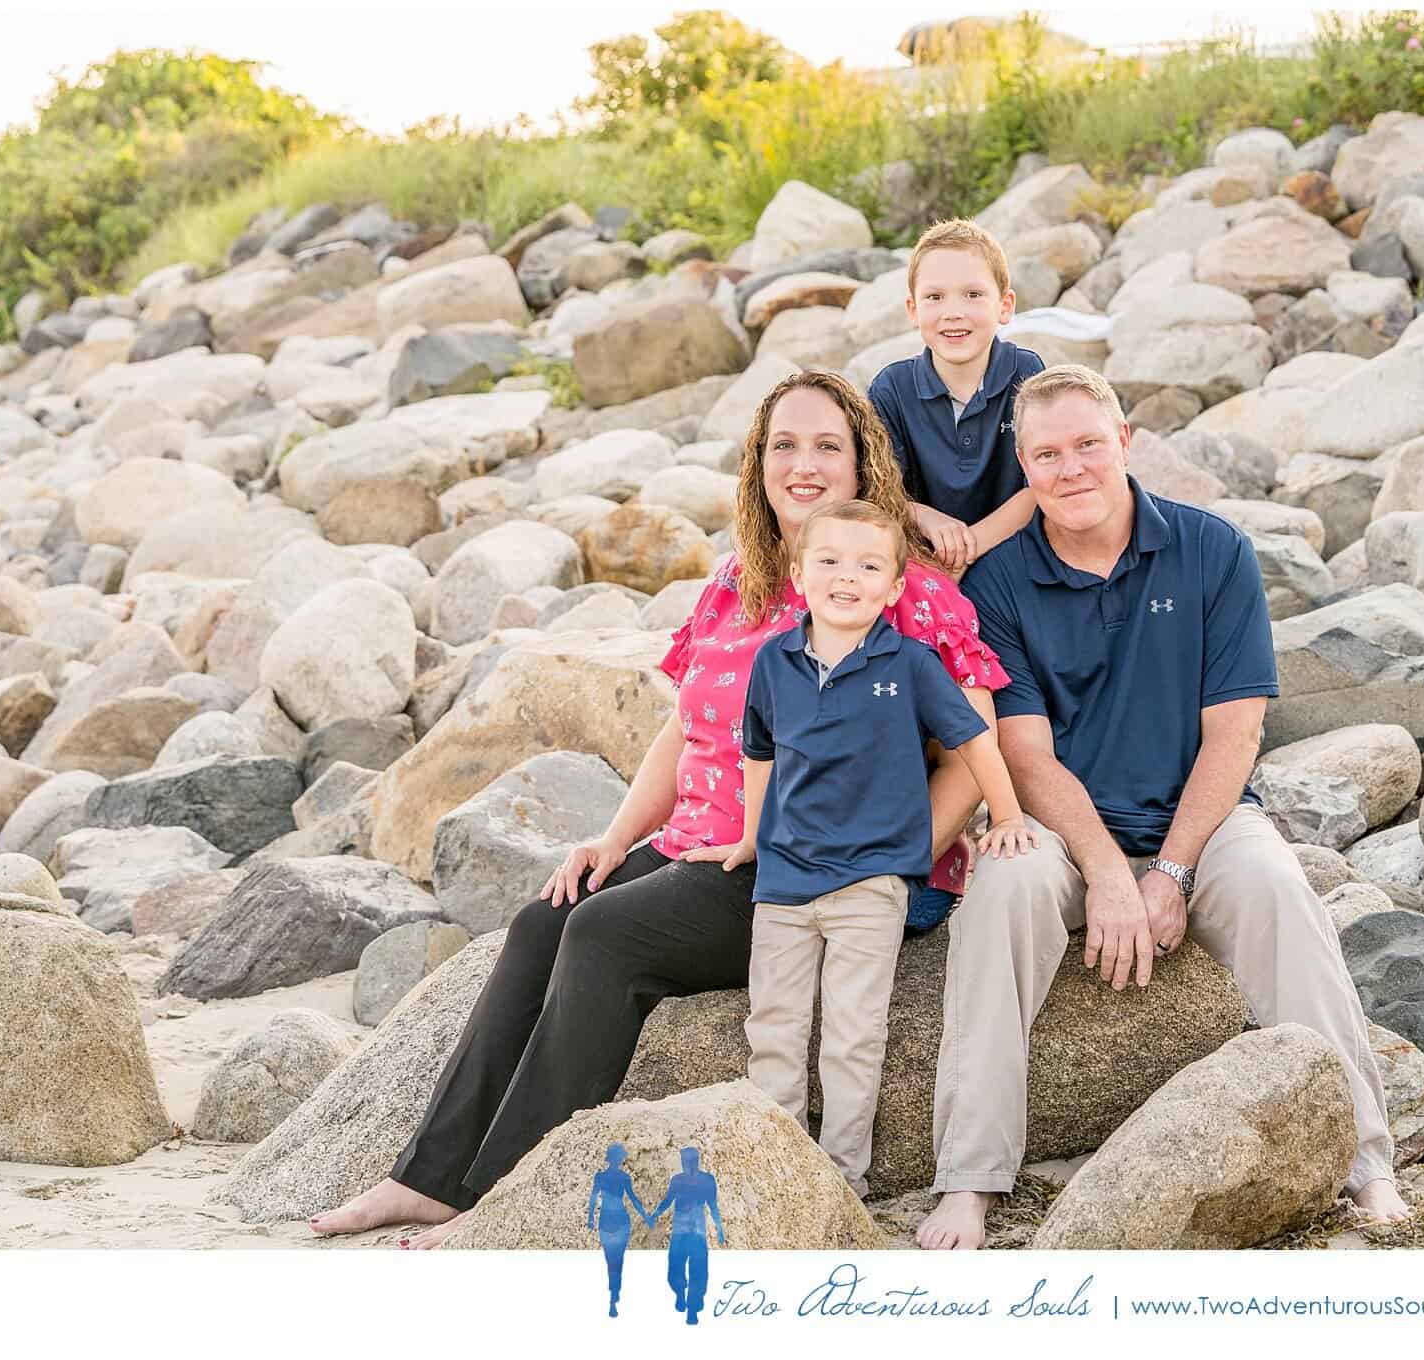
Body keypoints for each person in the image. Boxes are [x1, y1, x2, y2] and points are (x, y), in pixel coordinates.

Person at [306, 369, 1009, 1248]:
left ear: (865, 465)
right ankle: (429, 1180)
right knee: (545, 919)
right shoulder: (733, 583)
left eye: (828, 446)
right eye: (784, 446)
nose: (804, 465)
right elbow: (687, 731)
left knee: (607, 939)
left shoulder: (900, 590)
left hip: (811, 866)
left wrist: (895, 857)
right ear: (757, 465)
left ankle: (507, 1193)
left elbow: (972, 756)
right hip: (704, 842)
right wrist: (613, 838)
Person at [915, 364, 1412, 1251]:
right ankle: (970, 1179)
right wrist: (1110, 875)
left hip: (1204, 820)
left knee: (1277, 888)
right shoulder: (996, 584)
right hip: (1063, 831)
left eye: (1087, 447)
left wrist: (1172, 872)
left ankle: (1367, 1163)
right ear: (1023, 469)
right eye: (1046, 455)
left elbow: (1235, 736)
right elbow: (1024, 755)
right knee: (999, 894)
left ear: (1125, 445)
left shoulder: (1210, 549)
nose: (1070, 470)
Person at [685, 499, 1035, 1197]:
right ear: (799, 573)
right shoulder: (773, 663)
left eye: (869, 565)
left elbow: (972, 739)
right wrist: (753, 835)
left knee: (851, 1034)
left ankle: (843, 1177)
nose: (849, 577)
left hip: (871, 883)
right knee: (775, 1029)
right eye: (831, 562)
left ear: (895, 587)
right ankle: (780, 1173)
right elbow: (758, 753)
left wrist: (1008, 812)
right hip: (784, 882)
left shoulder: (909, 664)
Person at [868, 217, 1045, 577]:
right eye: (934, 297)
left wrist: (970, 545)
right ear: (913, 310)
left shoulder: (1026, 373)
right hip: (925, 561)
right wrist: (928, 519)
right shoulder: (892, 389)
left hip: (1012, 555)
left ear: (1005, 305)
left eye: (973, 294)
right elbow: (876, 492)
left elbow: (1041, 485)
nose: (953, 312)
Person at [647, 1147, 723, 1325]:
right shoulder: (679, 1180)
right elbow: (668, 1200)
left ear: (694, 1161)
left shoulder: (706, 1180)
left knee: (696, 1272)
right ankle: (681, 1294)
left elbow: (713, 1206)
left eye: (686, 1161)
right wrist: (655, 1214)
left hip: (693, 1233)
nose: (684, 1164)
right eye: (683, 1160)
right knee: (677, 1269)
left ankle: (692, 1308)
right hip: (683, 1232)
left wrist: (719, 1227)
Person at [587, 1142, 649, 1317]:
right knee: (614, 1260)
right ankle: (614, 1294)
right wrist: (646, 1216)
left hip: (611, 1220)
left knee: (613, 1260)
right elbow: (633, 1199)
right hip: (616, 1219)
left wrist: (591, 1218)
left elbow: (595, 1199)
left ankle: (614, 1297)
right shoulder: (618, 1177)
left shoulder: (611, 1177)